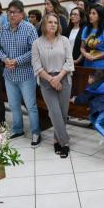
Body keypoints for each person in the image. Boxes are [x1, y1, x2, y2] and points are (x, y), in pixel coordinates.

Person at [0, 0, 41, 147]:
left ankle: (35, 132)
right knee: (14, 105)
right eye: (9, 12)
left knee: (31, 106)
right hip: (9, 75)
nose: (11, 15)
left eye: (14, 12)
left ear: (22, 14)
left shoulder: (29, 29)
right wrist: (5, 59)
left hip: (26, 75)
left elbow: (34, 50)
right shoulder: (4, 28)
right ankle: (18, 129)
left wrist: (17, 61)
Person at [32, 13, 74, 158]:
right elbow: (37, 66)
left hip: (64, 79)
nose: (53, 25)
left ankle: (57, 139)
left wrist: (59, 78)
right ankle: (65, 142)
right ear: (44, 24)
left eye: (55, 22)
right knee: (54, 112)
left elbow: (69, 62)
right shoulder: (37, 43)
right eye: (50, 22)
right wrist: (51, 80)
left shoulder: (64, 40)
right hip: (46, 80)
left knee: (62, 114)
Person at [70, 70, 104, 155]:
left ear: (92, 78)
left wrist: (74, 100)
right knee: (92, 117)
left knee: (98, 124)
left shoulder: (94, 87)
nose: (88, 79)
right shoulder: (102, 84)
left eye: (88, 77)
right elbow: (96, 97)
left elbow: (83, 98)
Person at [80, 4, 104, 69]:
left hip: (101, 64)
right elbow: (82, 47)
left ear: (100, 16)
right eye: (90, 13)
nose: (90, 16)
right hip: (88, 62)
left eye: (94, 13)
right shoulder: (86, 29)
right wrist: (85, 54)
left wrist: (95, 57)